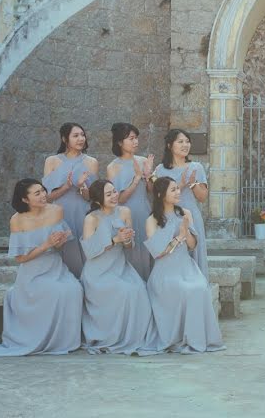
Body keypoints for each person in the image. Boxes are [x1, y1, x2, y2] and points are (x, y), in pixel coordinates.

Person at [0, 179, 82, 357]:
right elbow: (21, 258)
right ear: (25, 200)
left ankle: (62, 341)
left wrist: (58, 242)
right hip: (32, 271)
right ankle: (40, 338)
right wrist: (46, 244)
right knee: (55, 291)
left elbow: (58, 248)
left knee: (74, 289)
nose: (43, 196)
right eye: (37, 193)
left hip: (55, 266)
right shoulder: (17, 220)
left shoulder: (56, 210)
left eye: (43, 191)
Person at [145, 177, 224, 354]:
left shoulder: (185, 213)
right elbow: (157, 252)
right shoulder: (152, 220)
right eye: (173, 190)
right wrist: (178, 237)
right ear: (160, 194)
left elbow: (192, 245)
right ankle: (176, 337)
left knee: (199, 288)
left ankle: (196, 338)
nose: (178, 192)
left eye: (177, 189)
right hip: (165, 271)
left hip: (186, 266)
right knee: (184, 290)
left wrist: (186, 232)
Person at [80, 179, 158, 355]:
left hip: (120, 267)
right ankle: (111, 337)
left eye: (114, 191)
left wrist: (128, 238)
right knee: (124, 291)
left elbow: (129, 246)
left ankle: (134, 337)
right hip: (98, 272)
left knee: (139, 289)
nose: (115, 196)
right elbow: (90, 252)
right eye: (109, 194)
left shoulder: (124, 211)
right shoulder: (91, 219)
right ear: (98, 200)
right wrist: (115, 239)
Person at [42, 122, 97, 278]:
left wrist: (81, 187)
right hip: (59, 214)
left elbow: (91, 198)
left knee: (83, 252)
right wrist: (66, 186)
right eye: (75, 135)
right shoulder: (52, 161)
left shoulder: (91, 162)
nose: (81, 138)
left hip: (82, 213)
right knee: (63, 252)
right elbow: (46, 198)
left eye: (82, 135)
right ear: (64, 139)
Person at [154, 129, 209, 278]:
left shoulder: (196, 167)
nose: (185, 145)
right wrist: (181, 184)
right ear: (169, 145)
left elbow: (202, 197)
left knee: (193, 254)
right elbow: (157, 197)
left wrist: (192, 184)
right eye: (180, 142)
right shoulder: (160, 169)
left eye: (187, 141)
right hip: (167, 219)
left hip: (190, 217)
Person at [106, 122, 154, 280]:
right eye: (131, 138)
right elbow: (118, 199)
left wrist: (148, 176)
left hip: (145, 211)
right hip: (126, 215)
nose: (135, 142)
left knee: (148, 250)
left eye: (136, 138)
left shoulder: (142, 160)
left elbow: (150, 190)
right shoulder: (113, 167)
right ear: (120, 142)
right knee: (131, 253)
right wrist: (136, 179)